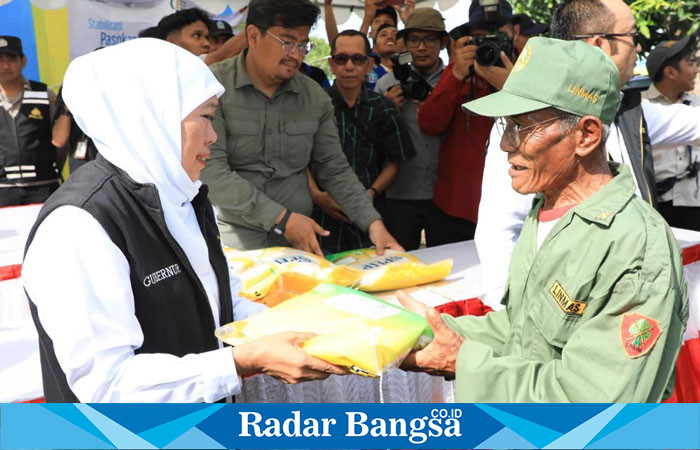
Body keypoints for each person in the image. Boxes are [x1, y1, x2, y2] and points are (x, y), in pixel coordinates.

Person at [22, 38, 345, 403]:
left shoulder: (181, 196)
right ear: (151, 118)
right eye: (205, 117)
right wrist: (240, 361)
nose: (213, 137)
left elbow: (224, 303)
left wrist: (328, 331)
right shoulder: (80, 224)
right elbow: (108, 386)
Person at [399, 37, 689, 402]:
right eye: (506, 125)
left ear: (586, 135)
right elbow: (524, 329)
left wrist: (463, 360)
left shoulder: (636, 248)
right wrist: (420, 332)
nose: (505, 144)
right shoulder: (548, 213)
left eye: (522, 127)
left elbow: (594, 405)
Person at [475, 0, 700, 302]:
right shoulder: (527, 128)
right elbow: (499, 232)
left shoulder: (630, 113)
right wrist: (512, 319)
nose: (638, 49)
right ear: (599, 45)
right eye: (632, 37)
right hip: (564, 310)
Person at [201, 0, 401, 256]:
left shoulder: (314, 97)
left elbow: (333, 168)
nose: (296, 54)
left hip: (297, 243)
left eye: (303, 44)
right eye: (287, 42)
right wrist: (281, 218)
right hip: (231, 242)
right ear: (253, 35)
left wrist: (373, 224)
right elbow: (211, 170)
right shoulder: (213, 88)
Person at [417, 0, 520, 245]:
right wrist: (455, 75)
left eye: (498, 36)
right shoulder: (459, 71)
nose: (490, 43)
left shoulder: (529, 70)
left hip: (512, 208)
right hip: (455, 207)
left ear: (515, 33)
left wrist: (514, 85)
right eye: (481, 37)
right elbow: (429, 124)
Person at [310, 30, 415, 253]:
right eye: (341, 59)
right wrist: (317, 196)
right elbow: (297, 157)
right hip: (321, 217)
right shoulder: (313, 104)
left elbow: (393, 162)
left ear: (369, 65)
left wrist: (371, 194)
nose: (349, 66)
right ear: (331, 64)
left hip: (370, 216)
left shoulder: (384, 107)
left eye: (357, 59)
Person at [374, 9, 451, 250]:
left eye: (429, 39)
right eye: (414, 40)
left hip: (443, 195)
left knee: (449, 265)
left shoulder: (454, 81)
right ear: (405, 44)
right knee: (398, 265)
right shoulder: (387, 84)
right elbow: (372, 142)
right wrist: (387, 111)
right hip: (399, 195)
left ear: (442, 43)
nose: (421, 47)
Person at [644, 36, 700, 230]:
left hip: (694, 204)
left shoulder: (696, 106)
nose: (697, 69)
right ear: (670, 72)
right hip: (653, 207)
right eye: (691, 63)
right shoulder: (638, 110)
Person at [0, 35, 59, 207]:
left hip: (43, 187)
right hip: (3, 189)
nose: (5, 66)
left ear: (23, 61)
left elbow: (61, 142)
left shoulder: (44, 95)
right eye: (0, 60)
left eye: (11, 59)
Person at [367, 23, 398, 90]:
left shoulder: (411, 72)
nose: (390, 37)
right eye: (383, 35)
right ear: (375, 48)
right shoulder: (372, 75)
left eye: (395, 34)